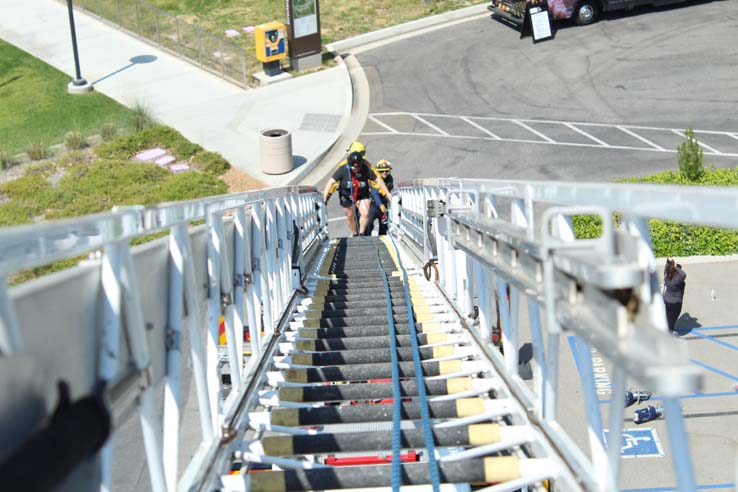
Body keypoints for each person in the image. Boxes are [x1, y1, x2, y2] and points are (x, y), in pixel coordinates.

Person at [323, 143, 392, 236]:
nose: (356, 169)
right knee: (350, 216)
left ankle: (362, 233)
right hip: (347, 195)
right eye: (354, 167)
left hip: (361, 194)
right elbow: (332, 183)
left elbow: (377, 181)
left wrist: (386, 193)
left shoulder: (366, 166)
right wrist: (326, 197)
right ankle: (355, 234)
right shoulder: (343, 167)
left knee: (366, 214)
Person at [365, 160, 394, 236]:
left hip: (384, 204)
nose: (384, 172)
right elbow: (374, 193)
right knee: (369, 223)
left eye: (386, 171)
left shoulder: (390, 179)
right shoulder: (373, 179)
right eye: (382, 171)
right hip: (373, 204)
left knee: (384, 226)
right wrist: (380, 204)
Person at [663, 257, 686, 333]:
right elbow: (683, 275)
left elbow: (666, 270)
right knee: (671, 320)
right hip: (675, 303)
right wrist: (676, 266)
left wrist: (668, 262)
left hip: (666, 300)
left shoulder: (667, 277)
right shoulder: (677, 280)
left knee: (667, 318)